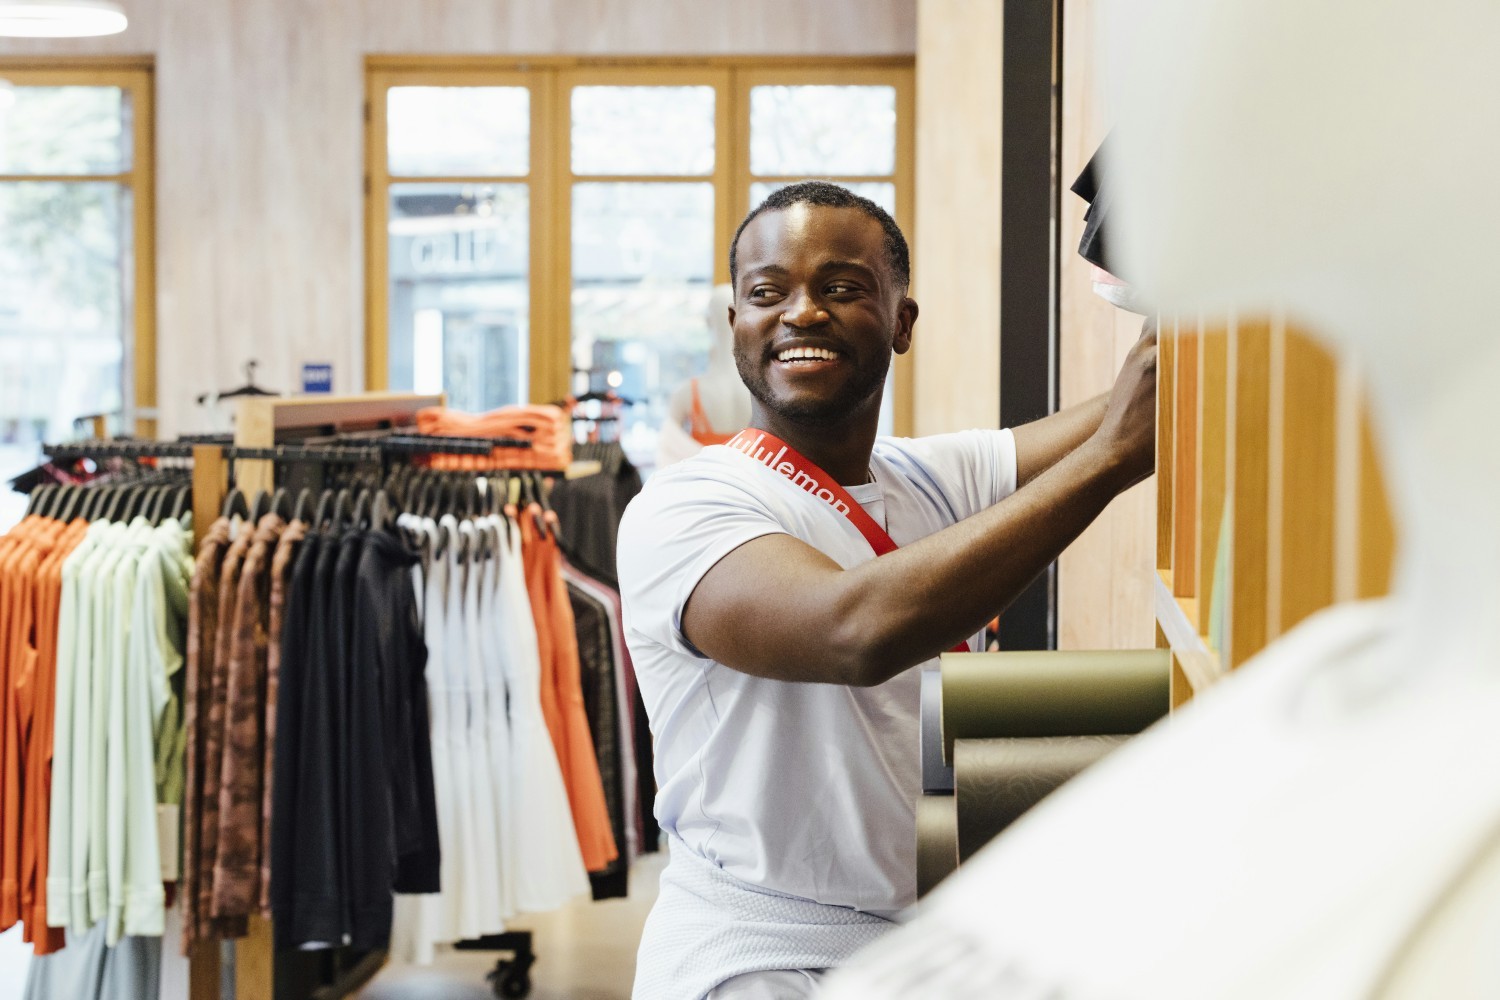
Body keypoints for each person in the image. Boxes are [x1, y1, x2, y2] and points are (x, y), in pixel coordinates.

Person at [819, 1, 1500, 997]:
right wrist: (1114, 441)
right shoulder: (1305, 682)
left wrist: (1113, 443)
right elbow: (855, 625)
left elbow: (1088, 435)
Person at [616, 181, 1156, 1000]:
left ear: (902, 320)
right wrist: (1113, 457)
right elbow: (854, 630)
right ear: (737, 329)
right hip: (759, 957)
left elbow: (1133, 411)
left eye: (841, 288)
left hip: (918, 945)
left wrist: (1188, 286)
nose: (801, 313)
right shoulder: (685, 508)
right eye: (768, 293)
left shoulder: (924, 475)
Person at [658, 284, 754, 468]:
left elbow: (665, 458)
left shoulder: (685, 393)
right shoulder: (765, 391)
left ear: (708, 321)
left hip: (699, 489)